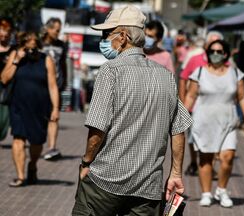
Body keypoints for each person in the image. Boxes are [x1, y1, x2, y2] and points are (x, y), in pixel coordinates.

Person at [71, 5, 192, 216]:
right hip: (147, 187)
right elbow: (179, 129)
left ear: (123, 36)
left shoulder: (110, 71)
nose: (104, 40)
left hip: (105, 181)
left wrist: (86, 162)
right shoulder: (165, 76)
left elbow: (97, 129)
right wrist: (175, 173)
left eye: (106, 34)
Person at [184, 40, 244, 208]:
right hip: (204, 121)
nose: (215, 54)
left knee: (227, 157)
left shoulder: (235, 73)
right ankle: (206, 193)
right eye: (212, 51)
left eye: (219, 51)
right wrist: (182, 117)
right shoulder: (199, 72)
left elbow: (243, 97)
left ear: (226, 54)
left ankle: (222, 190)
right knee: (205, 159)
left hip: (228, 121)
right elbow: (191, 96)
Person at [1, 31, 59, 187]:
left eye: (34, 42)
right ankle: (20, 176)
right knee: (18, 138)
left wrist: (55, 108)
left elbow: (52, 86)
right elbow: (4, 78)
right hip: (18, 105)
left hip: (39, 108)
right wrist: (16, 60)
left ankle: (32, 165)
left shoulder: (46, 60)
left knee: (36, 142)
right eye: (28, 42)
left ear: (38, 44)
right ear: (22, 43)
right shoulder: (15, 56)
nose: (31, 45)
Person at [178, 31, 223, 176]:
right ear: (206, 44)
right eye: (211, 44)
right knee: (193, 137)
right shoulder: (195, 59)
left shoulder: (225, 62)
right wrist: (183, 102)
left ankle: (209, 167)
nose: (214, 49)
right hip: (195, 107)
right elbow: (183, 78)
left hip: (216, 107)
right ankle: (194, 161)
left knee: (215, 137)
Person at [41, 17, 67, 160]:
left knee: (54, 116)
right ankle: (35, 144)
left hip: (55, 86)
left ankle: (51, 147)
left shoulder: (61, 45)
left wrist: (64, 81)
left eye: (59, 30)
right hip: (39, 86)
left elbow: (63, 64)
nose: (58, 33)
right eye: (56, 30)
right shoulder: (39, 44)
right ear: (48, 29)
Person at [0, 18, 14, 142]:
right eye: (2, 30)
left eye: (7, 31)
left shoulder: (13, 50)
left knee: (3, 118)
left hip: (6, 88)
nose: (4, 33)